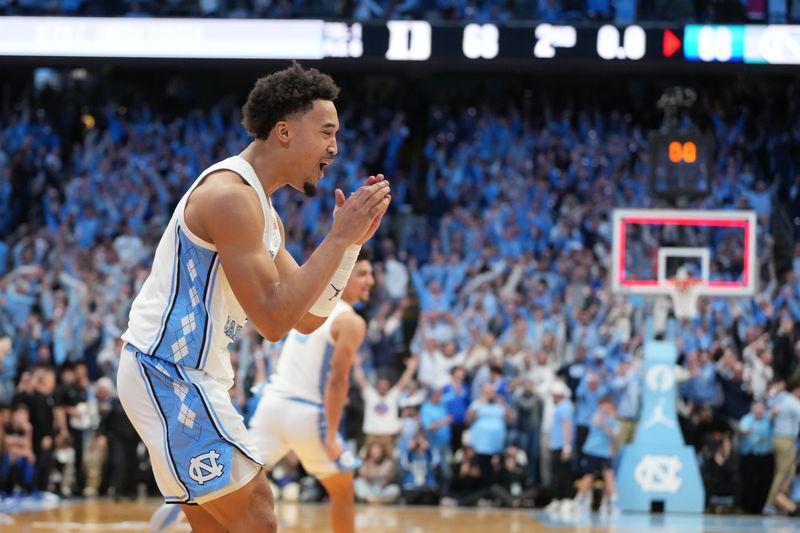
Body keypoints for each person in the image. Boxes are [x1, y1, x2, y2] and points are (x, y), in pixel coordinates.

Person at [119, 62, 391, 533]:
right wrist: (335, 238)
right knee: (259, 516)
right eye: (326, 132)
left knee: (225, 527)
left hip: (190, 374)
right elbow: (272, 321)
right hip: (168, 369)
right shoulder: (229, 197)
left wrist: (348, 246)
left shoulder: (262, 214)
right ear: (284, 132)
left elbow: (308, 319)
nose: (335, 147)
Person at [248, 249, 376, 533]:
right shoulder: (351, 321)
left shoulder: (309, 308)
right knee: (343, 490)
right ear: (343, 276)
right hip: (305, 412)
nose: (371, 281)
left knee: (235, 489)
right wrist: (330, 435)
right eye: (363, 274)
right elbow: (337, 381)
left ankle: (182, 517)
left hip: (270, 405)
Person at [572, 397, 620, 515]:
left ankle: (613, 502)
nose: (604, 408)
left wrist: (609, 421)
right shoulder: (596, 416)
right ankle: (579, 500)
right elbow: (595, 423)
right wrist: (605, 421)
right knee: (589, 476)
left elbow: (615, 433)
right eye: (602, 406)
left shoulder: (612, 420)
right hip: (592, 451)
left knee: (609, 476)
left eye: (606, 406)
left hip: (605, 453)